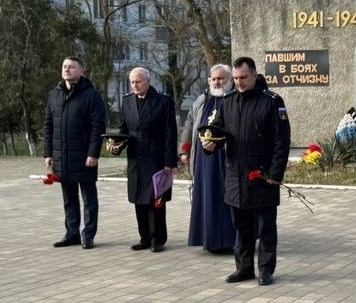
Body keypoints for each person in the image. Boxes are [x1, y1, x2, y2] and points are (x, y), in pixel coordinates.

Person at [203, 56, 291, 286]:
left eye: (243, 78)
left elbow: (281, 141)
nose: (239, 82)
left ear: (254, 75)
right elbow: (219, 133)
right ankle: (243, 268)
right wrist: (211, 144)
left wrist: (275, 174)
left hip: (262, 176)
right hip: (236, 176)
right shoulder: (229, 100)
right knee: (241, 227)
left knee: (265, 227)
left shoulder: (271, 101)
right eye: (236, 78)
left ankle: (265, 270)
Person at [107, 68, 177, 252]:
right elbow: (124, 131)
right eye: (131, 82)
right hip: (135, 158)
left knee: (156, 200)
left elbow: (170, 133)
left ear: (148, 81)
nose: (134, 85)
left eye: (138, 81)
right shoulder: (127, 101)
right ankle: (144, 237)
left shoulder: (163, 102)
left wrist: (169, 161)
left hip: (155, 158)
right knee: (138, 199)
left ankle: (158, 239)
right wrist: (116, 146)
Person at [43, 56, 106, 249]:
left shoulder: (91, 95)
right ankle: (71, 234)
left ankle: (88, 235)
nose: (67, 70)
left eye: (71, 67)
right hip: (62, 156)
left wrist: (93, 153)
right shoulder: (54, 94)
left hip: (84, 156)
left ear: (82, 70)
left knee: (89, 198)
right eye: (64, 66)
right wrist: (48, 153)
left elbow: (98, 127)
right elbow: (48, 125)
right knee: (68, 198)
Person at [179, 64, 237, 253]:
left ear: (229, 80)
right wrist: (184, 149)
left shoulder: (235, 98)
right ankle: (209, 239)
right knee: (207, 199)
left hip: (227, 158)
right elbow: (189, 124)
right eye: (213, 79)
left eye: (221, 78)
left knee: (227, 199)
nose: (217, 82)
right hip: (204, 161)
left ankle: (229, 241)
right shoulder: (201, 100)